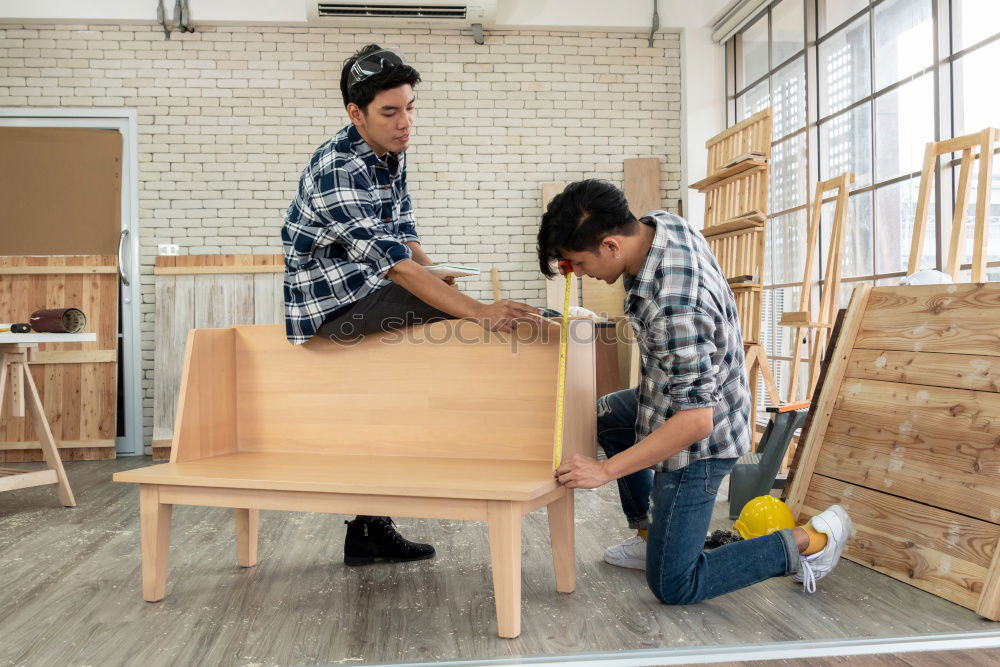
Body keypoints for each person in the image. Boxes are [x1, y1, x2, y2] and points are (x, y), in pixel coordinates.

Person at [282, 44, 538, 566]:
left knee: (398, 385)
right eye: (391, 112)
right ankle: (493, 453)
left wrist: (438, 272)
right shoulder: (337, 167)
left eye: (411, 107)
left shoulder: (388, 154)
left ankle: (369, 529)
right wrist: (476, 309)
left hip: (370, 290)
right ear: (356, 114)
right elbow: (396, 267)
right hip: (333, 307)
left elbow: (404, 240)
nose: (406, 123)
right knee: (465, 319)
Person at [536, 179, 851, 603]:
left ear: (611, 245)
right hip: (671, 400)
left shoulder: (674, 304)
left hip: (702, 438)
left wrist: (605, 471)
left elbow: (696, 422)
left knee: (674, 584)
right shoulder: (660, 227)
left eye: (578, 262)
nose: (580, 273)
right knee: (607, 415)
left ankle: (811, 541)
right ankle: (651, 534)